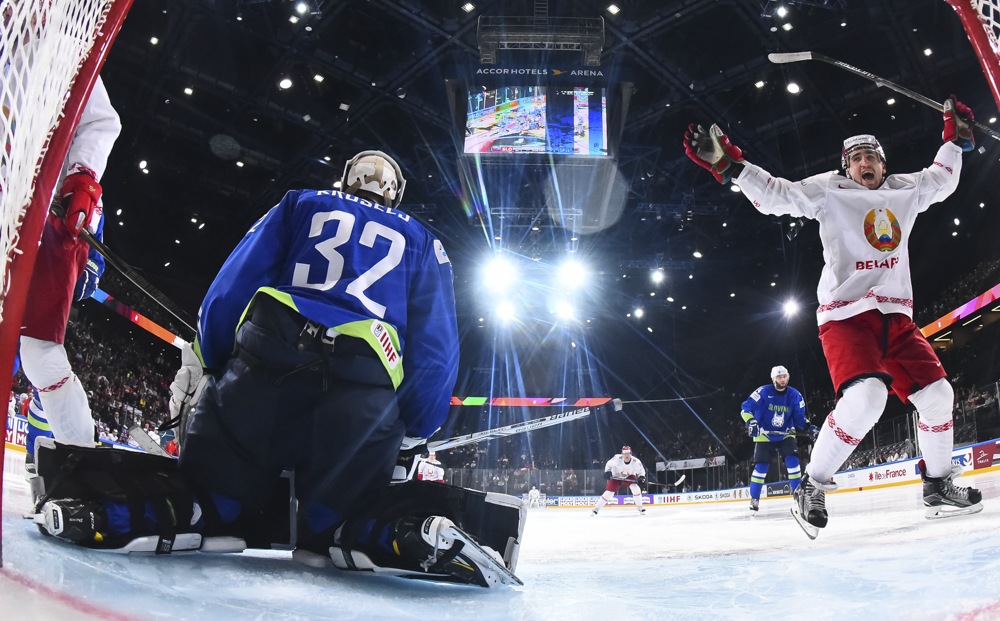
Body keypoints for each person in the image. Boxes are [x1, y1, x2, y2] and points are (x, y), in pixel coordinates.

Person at [34, 151, 525, 588]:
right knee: (333, 525)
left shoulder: (300, 203)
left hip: (265, 367)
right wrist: (416, 425)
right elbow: (436, 351)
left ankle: (137, 509)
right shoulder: (423, 241)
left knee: (213, 501)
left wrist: (212, 359)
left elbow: (231, 288)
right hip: (362, 397)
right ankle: (379, 531)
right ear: (394, 195)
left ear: (346, 179)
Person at [684, 96, 983, 538]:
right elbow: (777, 196)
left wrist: (955, 139)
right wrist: (733, 168)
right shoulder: (829, 189)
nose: (865, 163)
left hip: (897, 318)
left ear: (884, 164)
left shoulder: (906, 188)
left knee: (938, 396)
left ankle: (937, 488)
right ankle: (811, 485)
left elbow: (942, 179)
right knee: (868, 400)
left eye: (872, 157)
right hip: (846, 317)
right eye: (856, 158)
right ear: (847, 167)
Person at [19, 76, 118, 470]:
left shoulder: (64, 45)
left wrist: (82, 176)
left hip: (47, 215)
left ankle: (80, 466)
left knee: (40, 354)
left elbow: (101, 121)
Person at [740, 366, 819, 515]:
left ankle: (798, 497)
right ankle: (754, 499)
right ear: (774, 379)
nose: (783, 379)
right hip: (764, 435)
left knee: (793, 462)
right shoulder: (763, 392)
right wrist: (751, 422)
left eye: (785, 377)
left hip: (786, 434)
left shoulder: (795, 395)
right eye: (779, 377)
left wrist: (808, 426)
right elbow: (745, 408)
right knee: (761, 467)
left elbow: (798, 418)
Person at [591, 446, 647, 516]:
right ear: (622, 454)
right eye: (625, 453)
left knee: (636, 489)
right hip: (616, 476)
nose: (626, 455)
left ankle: (640, 507)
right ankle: (596, 509)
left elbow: (641, 471)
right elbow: (608, 464)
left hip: (629, 476)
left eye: (628, 453)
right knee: (609, 493)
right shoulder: (616, 458)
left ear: (631, 454)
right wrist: (607, 471)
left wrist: (642, 477)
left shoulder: (636, 462)